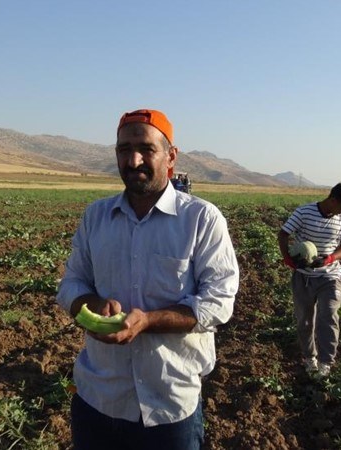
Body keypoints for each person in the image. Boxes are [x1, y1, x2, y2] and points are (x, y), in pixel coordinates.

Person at [57, 108, 239, 450]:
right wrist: (91, 304)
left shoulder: (201, 219)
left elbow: (219, 302)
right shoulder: (96, 216)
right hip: (98, 400)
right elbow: (71, 284)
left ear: (171, 156)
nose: (134, 160)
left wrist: (149, 321)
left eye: (146, 149)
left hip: (169, 406)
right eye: (124, 150)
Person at [277, 182, 341, 379]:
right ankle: (309, 358)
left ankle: (326, 362)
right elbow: (283, 234)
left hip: (330, 276)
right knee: (305, 320)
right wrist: (288, 259)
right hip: (303, 277)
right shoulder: (304, 212)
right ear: (333, 200)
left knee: (329, 315)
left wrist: (329, 258)